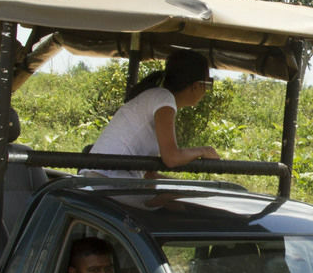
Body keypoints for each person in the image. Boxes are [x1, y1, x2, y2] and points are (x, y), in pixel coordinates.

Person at [83, 51, 219, 178]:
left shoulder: (158, 99)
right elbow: (171, 158)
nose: (207, 90)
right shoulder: (164, 99)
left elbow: (148, 175)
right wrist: (204, 151)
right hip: (105, 180)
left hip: (102, 178)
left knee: (176, 199)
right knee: (179, 201)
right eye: (208, 83)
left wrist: (183, 187)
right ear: (196, 86)